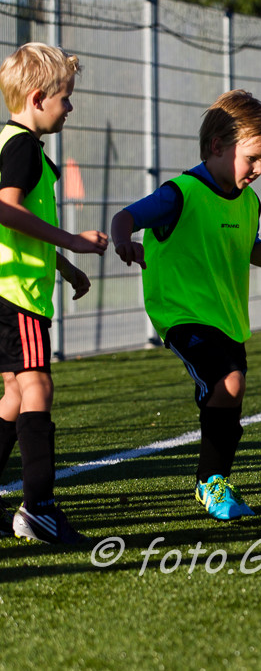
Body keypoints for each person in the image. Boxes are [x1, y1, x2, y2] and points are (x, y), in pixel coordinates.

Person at [110, 90, 261, 521]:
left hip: (227, 318)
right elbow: (125, 217)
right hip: (181, 313)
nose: (258, 170)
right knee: (228, 383)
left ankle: (214, 482)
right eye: (252, 159)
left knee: (229, 401)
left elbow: (249, 246)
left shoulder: (249, 201)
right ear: (218, 146)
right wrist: (123, 240)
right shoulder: (180, 193)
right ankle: (210, 483)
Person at [0, 43, 108, 544]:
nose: (70, 107)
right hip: (18, 294)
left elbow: (21, 226)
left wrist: (64, 266)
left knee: (14, 394)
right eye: (66, 98)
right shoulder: (22, 146)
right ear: (38, 98)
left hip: (10, 290)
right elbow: (7, 210)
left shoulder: (12, 142)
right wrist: (72, 242)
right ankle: (39, 508)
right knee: (37, 387)